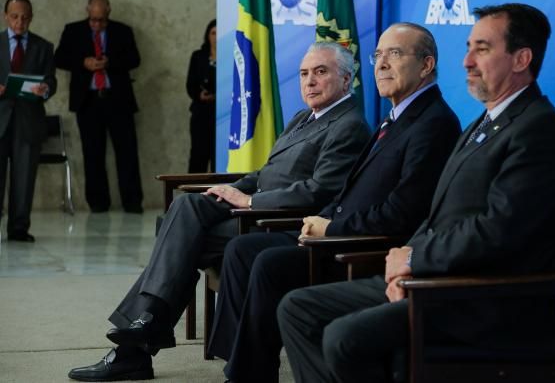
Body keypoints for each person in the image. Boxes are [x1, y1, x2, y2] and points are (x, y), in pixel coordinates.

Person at [277, 3, 555, 383]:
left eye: (482, 49)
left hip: (484, 303)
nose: (467, 60)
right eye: (469, 47)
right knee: (298, 308)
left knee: (344, 337)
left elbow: (499, 233)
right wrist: (399, 261)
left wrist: (416, 260)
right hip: (440, 282)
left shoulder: (541, 130)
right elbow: (438, 214)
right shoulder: (483, 123)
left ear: (521, 58)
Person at [67, 41, 370, 382]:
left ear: (346, 80)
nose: (309, 81)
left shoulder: (349, 126)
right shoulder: (303, 117)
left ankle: (139, 340)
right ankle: (144, 328)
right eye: (303, 73)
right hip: (252, 214)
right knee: (184, 207)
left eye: (320, 72)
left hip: (280, 225)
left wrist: (251, 202)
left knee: (178, 234)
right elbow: (267, 173)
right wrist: (237, 189)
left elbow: (319, 192)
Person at [208, 23, 462, 383]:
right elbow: (351, 191)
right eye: (378, 56)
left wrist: (331, 228)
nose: (382, 64)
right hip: (336, 233)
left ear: (426, 65)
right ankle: (242, 364)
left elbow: (403, 213)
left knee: (267, 261)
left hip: (360, 250)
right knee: (245, 248)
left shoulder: (433, 123)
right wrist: (319, 219)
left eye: (395, 54)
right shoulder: (397, 117)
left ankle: (247, 373)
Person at [54, 0, 143, 213]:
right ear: (87, 12)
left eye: (101, 20)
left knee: (127, 152)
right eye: (93, 19)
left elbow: (135, 59)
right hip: (88, 101)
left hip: (117, 99)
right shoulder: (73, 30)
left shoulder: (122, 31)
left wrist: (110, 62)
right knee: (92, 153)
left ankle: (132, 202)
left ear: (108, 14)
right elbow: (59, 58)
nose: (97, 24)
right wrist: (83, 62)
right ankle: (98, 203)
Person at [0, 0, 57, 242]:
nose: (19, 22)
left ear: (31, 18)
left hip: (28, 118)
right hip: (1, 117)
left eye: (24, 17)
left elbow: (50, 82)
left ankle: (19, 228)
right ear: (5, 16)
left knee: (24, 177)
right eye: (14, 16)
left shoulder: (43, 46)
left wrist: (44, 89)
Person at [187, 19, 216, 173]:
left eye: (219, 33)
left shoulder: (231, 56)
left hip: (222, 116)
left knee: (218, 156)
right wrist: (199, 95)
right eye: (213, 33)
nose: (216, 37)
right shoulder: (198, 56)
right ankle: (192, 195)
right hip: (201, 113)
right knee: (198, 155)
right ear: (207, 35)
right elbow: (190, 84)